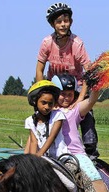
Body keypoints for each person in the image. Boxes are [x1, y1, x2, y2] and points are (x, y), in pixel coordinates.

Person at [24, 79, 104, 192]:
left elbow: (51, 138)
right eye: (43, 103)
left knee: (84, 178)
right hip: (42, 158)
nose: (47, 106)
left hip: (62, 157)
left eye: (50, 103)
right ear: (35, 102)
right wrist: (29, 161)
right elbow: (33, 141)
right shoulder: (30, 121)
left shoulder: (58, 116)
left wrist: (38, 156)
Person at [53, 73, 109, 192]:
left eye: (69, 94)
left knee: (95, 177)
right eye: (62, 94)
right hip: (53, 155)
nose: (66, 98)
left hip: (77, 154)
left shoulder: (75, 110)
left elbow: (91, 100)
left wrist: (95, 85)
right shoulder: (49, 111)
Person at [37, 2, 99, 159]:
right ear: (53, 24)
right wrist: (42, 91)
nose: (63, 24)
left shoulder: (76, 43)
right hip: (55, 87)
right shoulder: (47, 42)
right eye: (59, 21)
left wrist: (79, 99)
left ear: (70, 21)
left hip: (76, 86)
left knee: (86, 114)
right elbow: (39, 69)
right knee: (43, 112)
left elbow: (88, 72)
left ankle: (90, 149)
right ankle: (41, 145)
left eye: (66, 20)